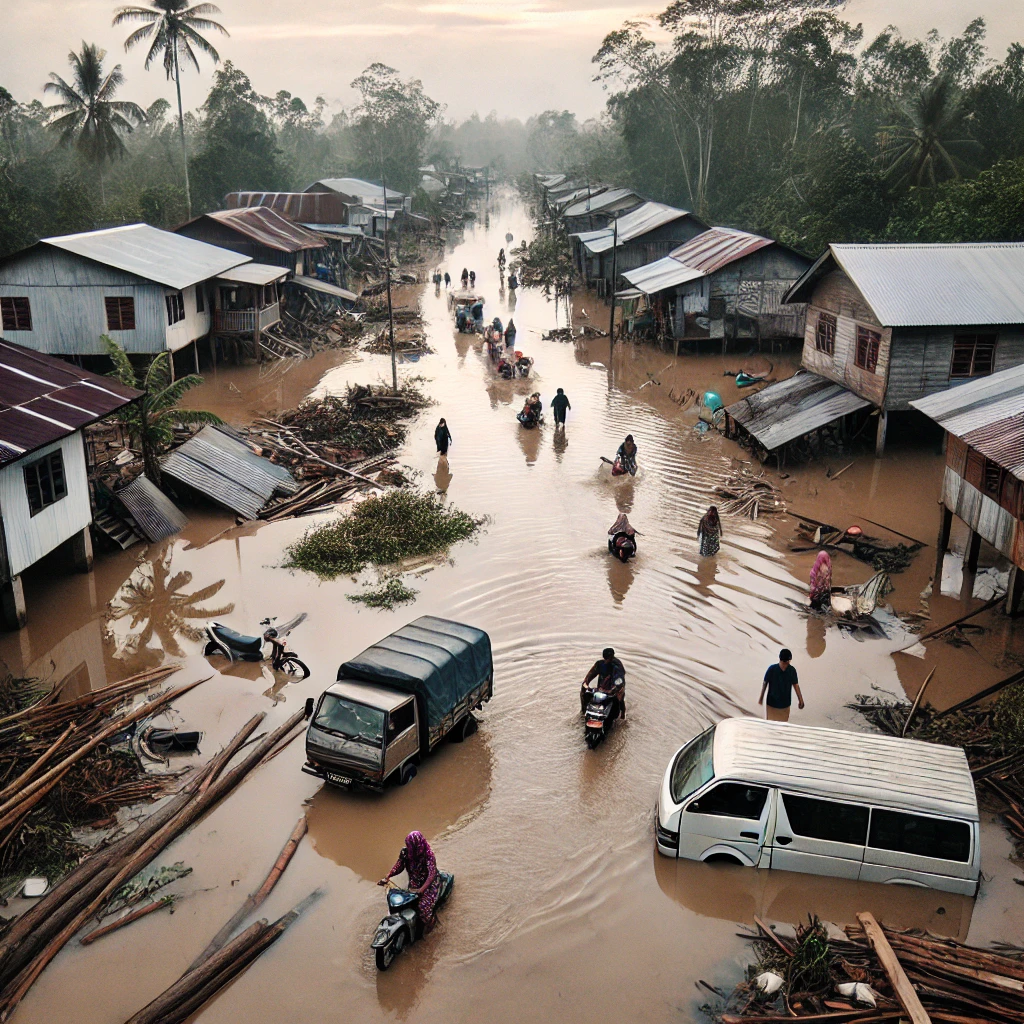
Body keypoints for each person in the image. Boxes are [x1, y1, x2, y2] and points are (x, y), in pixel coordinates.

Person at [378, 830, 442, 933]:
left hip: (428, 885)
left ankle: (431, 922)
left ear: (417, 845)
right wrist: (388, 876)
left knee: (423, 908)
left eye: (411, 845)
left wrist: (421, 890)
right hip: (415, 882)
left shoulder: (428, 856)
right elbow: (399, 866)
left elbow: (431, 875)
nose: (409, 848)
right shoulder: (406, 852)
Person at [758, 649, 804, 723]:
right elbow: (796, 686)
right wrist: (801, 700)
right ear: (789, 660)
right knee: (775, 726)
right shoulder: (789, 670)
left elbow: (765, 683)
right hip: (774, 704)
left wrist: (761, 698)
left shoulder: (773, 669)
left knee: (777, 726)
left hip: (782, 704)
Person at [581, 647, 626, 717]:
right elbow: (590, 675)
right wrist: (586, 684)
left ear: (612, 656)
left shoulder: (617, 666)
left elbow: (620, 683)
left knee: (620, 700)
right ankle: (583, 712)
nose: (607, 660)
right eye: (606, 658)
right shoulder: (599, 664)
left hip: (614, 690)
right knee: (584, 693)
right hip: (601, 689)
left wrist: (612, 690)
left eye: (609, 658)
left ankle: (623, 715)